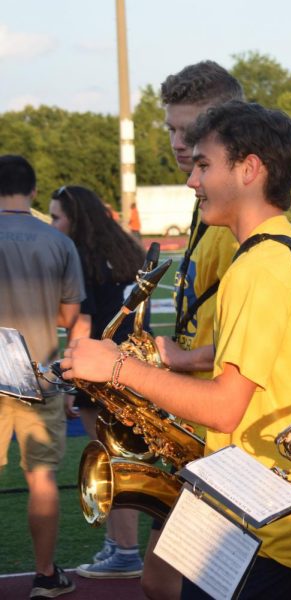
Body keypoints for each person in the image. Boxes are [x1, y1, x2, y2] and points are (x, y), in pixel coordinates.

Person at [62, 101, 291, 599]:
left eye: (205, 165)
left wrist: (117, 367)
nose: (192, 181)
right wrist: (174, 362)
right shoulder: (283, 251)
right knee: (162, 583)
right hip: (251, 503)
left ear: (249, 169)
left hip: (257, 520)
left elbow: (226, 407)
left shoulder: (259, 266)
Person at [138, 60, 244, 600]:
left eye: (192, 129)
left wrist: (169, 361)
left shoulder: (235, 227)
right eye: (172, 130)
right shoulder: (208, 211)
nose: (179, 143)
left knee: (176, 581)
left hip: (222, 433)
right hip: (198, 424)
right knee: (166, 577)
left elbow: (247, 346)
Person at [47, 185, 147, 578]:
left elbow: (83, 324)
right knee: (118, 461)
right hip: (133, 368)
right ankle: (118, 545)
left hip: (101, 371)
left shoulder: (84, 260)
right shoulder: (124, 252)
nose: (54, 224)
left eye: (57, 216)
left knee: (108, 465)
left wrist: (70, 376)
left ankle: (124, 551)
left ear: (77, 219)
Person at [0, 155, 85, 599]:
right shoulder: (56, 242)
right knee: (42, 478)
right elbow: (71, 315)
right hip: (39, 372)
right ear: (32, 191)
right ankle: (45, 574)